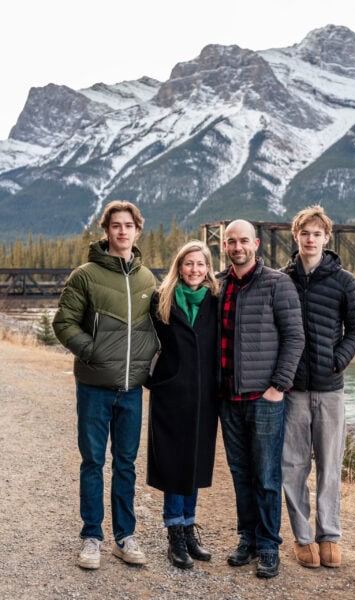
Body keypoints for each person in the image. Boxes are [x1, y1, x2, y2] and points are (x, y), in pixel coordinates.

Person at [52, 200, 159, 570]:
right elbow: (63, 323)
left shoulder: (147, 280)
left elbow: (158, 329)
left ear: (137, 230)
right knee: (94, 461)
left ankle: (125, 536)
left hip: (132, 389)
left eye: (129, 225)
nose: (122, 231)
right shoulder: (85, 275)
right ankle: (92, 537)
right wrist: (92, 351)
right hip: (95, 385)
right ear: (106, 230)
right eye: (115, 225)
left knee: (126, 464)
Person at [218, 219, 305, 579]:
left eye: (243, 241)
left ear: (256, 243)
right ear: (224, 246)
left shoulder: (277, 283)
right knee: (240, 473)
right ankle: (248, 539)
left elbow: (295, 338)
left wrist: (277, 388)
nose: (237, 247)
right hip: (228, 398)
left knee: (267, 475)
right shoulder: (219, 285)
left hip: (264, 398)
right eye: (230, 242)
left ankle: (269, 545)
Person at [281, 205, 355, 569]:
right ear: (296, 236)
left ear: (326, 238)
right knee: (293, 466)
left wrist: (336, 360)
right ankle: (303, 538)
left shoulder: (344, 280)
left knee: (330, 466)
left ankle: (329, 535)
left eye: (317, 233)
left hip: (331, 389)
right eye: (305, 232)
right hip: (294, 391)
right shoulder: (282, 279)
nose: (310, 239)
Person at [146, 240, 219, 570]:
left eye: (200, 264)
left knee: (195, 463)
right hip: (171, 395)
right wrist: (154, 378)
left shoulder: (215, 301)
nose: (194, 270)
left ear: (208, 269)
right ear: (179, 267)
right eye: (188, 263)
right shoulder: (160, 299)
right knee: (174, 464)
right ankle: (174, 535)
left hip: (205, 395)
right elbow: (143, 340)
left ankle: (189, 529)